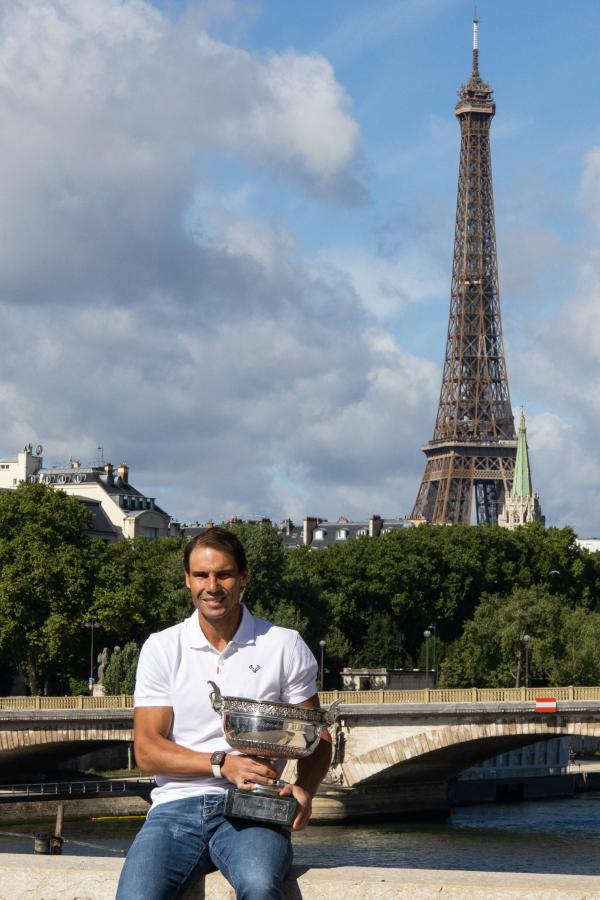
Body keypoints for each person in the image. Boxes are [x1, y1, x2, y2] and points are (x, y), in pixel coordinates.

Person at [116, 527, 332, 900]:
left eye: (224, 574)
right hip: (175, 808)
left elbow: (319, 738)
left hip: (257, 807)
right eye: (201, 575)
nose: (211, 586)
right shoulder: (162, 647)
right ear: (187, 580)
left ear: (243, 577)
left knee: (260, 887)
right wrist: (223, 764)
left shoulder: (283, 644)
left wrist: (306, 791)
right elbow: (148, 751)